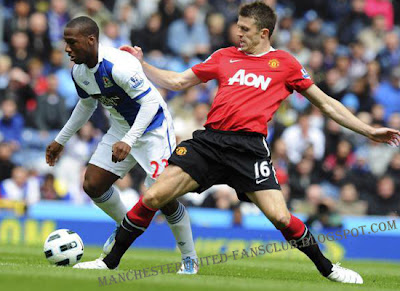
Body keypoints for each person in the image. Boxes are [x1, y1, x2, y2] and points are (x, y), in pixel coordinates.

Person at [75, 2, 400, 284]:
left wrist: (367, 130)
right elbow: (176, 81)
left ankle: (329, 269)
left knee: (281, 218)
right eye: (237, 27)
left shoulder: (285, 64)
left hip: (249, 148)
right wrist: (141, 65)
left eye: (245, 29)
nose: (238, 33)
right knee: (155, 194)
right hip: (211, 142)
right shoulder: (225, 56)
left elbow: (326, 103)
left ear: (264, 33)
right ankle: (109, 261)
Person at [45, 16, 198, 274]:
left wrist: (129, 140)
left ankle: (190, 259)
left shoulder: (119, 65)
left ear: (91, 40)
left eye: (72, 43)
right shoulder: (79, 71)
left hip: (153, 129)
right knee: (92, 184)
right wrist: (61, 140)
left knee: (164, 198)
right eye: (65, 43)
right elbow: (86, 104)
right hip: (121, 128)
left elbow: (151, 103)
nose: (67, 49)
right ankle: (125, 226)